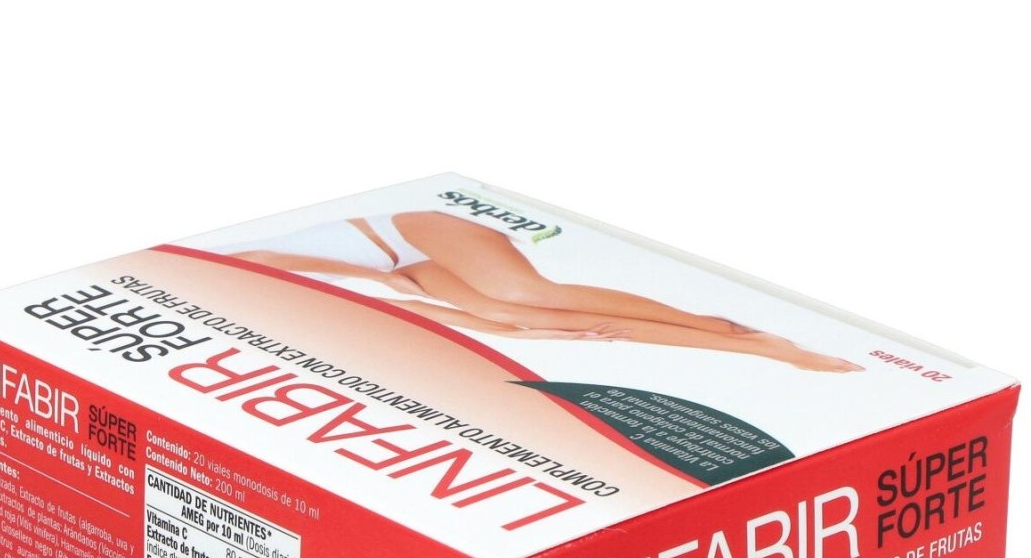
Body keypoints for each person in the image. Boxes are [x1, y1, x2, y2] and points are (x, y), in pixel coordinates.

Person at [223, 210, 862, 372]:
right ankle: (767, 349)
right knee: (532, 320)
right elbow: (422, 312)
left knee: (527, 293)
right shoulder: (291, 324)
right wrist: (526, 336)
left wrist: (379, 280)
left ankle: (716, 323)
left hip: (396, 233)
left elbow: (273, 261)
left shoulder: (221, 273)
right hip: (404, 272)